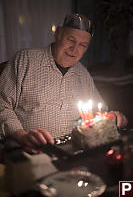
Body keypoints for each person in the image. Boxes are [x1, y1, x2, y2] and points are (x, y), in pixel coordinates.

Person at [0, 14, 127, 147]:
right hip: (30, 149)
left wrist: (111, 118)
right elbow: (2, 105)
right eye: (71, 40)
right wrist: (22, 135)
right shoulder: (25, 60)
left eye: (82, 45)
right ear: (58, 34)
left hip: (73, 150)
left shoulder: (83, 74)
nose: (74, 49)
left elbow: (96, 113)